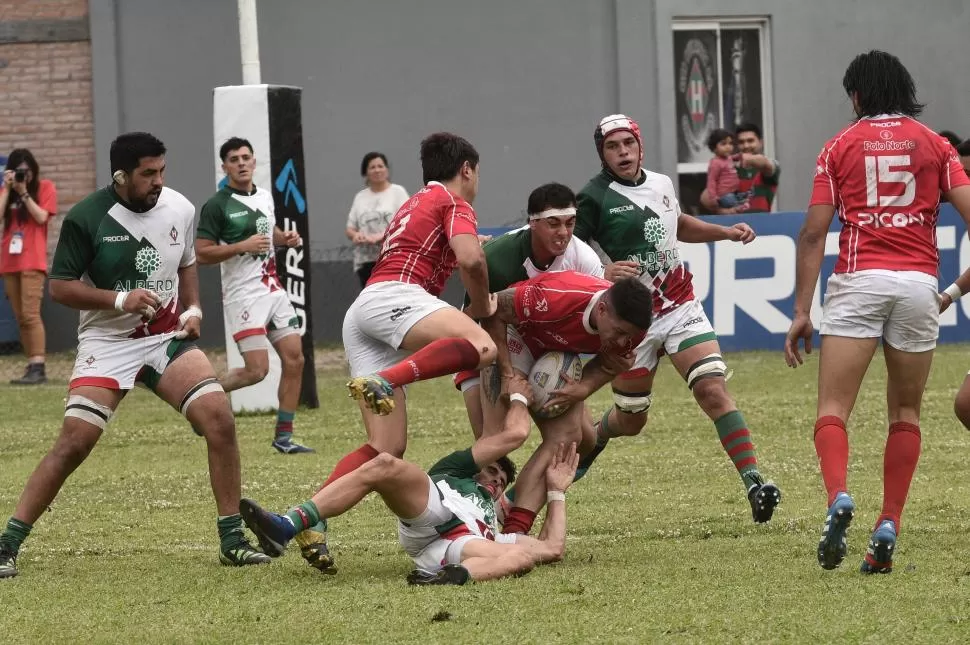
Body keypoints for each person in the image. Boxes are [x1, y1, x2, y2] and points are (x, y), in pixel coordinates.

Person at [0, 132, 270, 579]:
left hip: (164, 337)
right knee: (74, 444)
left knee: (219, 417)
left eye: (162, 170)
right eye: (149, 173)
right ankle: (8, 542)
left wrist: (193, 308)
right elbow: (61, 287)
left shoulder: (180, 209)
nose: (159, 181)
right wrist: (120, 300)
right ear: (122, 175)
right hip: (107, 344)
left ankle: (232, 539)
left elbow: (186, 261)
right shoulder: (88, 217)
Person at [784, 50, 970, 574]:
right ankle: (887, 524)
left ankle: (839, 497)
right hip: (918, 286)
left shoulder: (837, 147)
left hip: (859, 281)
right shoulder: (936, 143)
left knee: (833, 409)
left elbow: (814, 232)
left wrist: (802, 309)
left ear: (858, 95)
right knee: (906, 415)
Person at [291, 132, 497, 573]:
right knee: (483, 347)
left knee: (387, 447)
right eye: (477, 173)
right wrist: (482, 306)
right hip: (395, 297)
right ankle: (391, 378)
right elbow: (472, 260)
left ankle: (314, 517)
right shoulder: (454, 202)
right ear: (467, 170)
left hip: (365, 308)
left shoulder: (412, 201)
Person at [574, 113, 781, 525]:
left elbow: (677, 224)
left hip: (680, 305)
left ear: (640, 146)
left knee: (712, 389)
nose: (623, 153)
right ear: (602, 154)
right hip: (631, 323)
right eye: (613, 147)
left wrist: (724, 232)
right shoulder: (592, 197)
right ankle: (597, 436)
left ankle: (754, 482)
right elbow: (569, 251)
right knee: (631, 421)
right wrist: (602, 269)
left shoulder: (662, 183)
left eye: (628, 144)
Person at [240, 374, 578, 584]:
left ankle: (448, 579)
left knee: (522, 557)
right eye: (492, 471)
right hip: (437, 510)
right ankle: (287, 525)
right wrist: (518, 396)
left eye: (502, 482)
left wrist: (556, 492)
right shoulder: (455, 471)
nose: (495, 481)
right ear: (476, 467)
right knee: (385, 462)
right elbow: (516, 433)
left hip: (459, 546)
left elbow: (553, 547)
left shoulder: (495, 522)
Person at [480, 271, 652, 535]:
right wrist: (507, 375)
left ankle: (512, 519)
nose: (621, 341)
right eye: (618, 332)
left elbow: (609, 363)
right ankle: (473, 523)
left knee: (580, 440)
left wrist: (581, 389)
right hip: (513, 339)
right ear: (602, 309)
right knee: (497, 440)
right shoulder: (556, 297)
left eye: (626, 337)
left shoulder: (630, 330)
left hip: (554, 354)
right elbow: (492, 309)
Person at [455, 182, 604, 438]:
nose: (564, 233)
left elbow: (600, 317)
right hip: (486, 340)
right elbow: (472, 318)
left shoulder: (584, 259)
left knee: (584, 440)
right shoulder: (497, 260)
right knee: (491, 441)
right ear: (533, 223)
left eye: (570, 223)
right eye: (553, 223)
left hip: (544, 343)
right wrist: (507, 375)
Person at [196, 137, 313, 454]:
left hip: (272, 289)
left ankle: (284, 438)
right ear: (225, 167)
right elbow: (201, 253)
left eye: (246, 157)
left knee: (295, 358)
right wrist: (240, 246)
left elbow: (268, 231)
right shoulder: (217, 205)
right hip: (243, 296)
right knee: (256, 370)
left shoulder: (263, 196)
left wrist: (284, 239)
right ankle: (196, 397)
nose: (242, 163)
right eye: (234, 159)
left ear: (254, 161)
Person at [0, 149, 58, 384]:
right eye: (19, 172)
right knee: (20, 316)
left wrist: (24, 194)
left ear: (34, 170)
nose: (25, 176)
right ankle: (31, 364)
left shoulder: (45, 187)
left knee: (31, 314)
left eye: (27, 171)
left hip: (32, 260)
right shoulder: (8, 192)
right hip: (9, 261)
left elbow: (42, 217)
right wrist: (7, 189)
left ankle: (38, 365)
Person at [345, 152, 409, 288]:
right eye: (372, 167)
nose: (377, 170)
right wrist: (356, 235)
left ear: (387, 169)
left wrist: (383, 235)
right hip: (366, 260)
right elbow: (350, 228)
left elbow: (408, 222)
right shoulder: (360, 197)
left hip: (392, 258)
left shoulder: (398, 192)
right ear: (365, 172)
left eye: (380, 166)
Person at [701, 123, 780, 214]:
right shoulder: (731, 168)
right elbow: (705, 198)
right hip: (734, 225)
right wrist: (723, 210)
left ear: (761, 142)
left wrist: (749, 158)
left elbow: (766, 164)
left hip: (761, 223)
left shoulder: (766, 169)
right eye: (741, 142)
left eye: (750, 141)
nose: (746, 146)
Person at [705, 129, 748, 210]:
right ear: (714, 148)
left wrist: (740, 156)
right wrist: (713, 198)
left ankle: (741, 206)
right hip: (724, 195)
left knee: (747, 195)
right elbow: (712, 180)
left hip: (735, 192)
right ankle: (739, 207)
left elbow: (733, 157)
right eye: (723, 144)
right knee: (731, 201)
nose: (728, 147)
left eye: (730, 143)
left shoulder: (728, 158)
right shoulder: (715, 163)